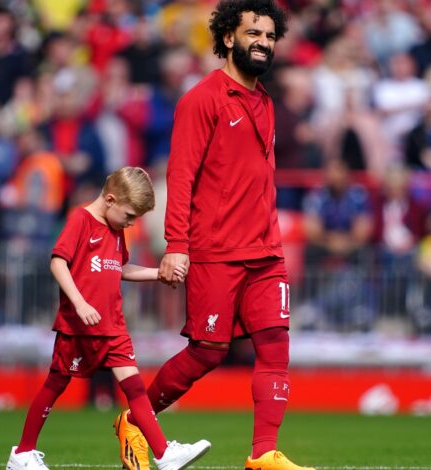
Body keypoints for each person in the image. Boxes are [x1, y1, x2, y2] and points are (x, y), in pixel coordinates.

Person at [113, 2, 314, 470]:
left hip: (266, 250)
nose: (263, 41)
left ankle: (263, 454)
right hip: (216, 251)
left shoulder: (264, 102)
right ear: (227, 37)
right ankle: (135, 420)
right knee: (207, 352)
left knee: (276, 345)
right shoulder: (201, 99)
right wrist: (176, 246)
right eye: (253, 33)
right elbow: (181, 177)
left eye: (269, 34)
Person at [6, 167, 210, 470]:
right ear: (111, 199)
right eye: (129, 216)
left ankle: (164, 453)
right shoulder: (80, 220)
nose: (131, 222)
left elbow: (119, 268)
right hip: (79, 325)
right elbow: (58, 262)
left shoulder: (115, 229)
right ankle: (22, 453)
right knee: (55, 384)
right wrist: (79, 303)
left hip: (111, 324)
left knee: (135, 388)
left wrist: (158, 275)